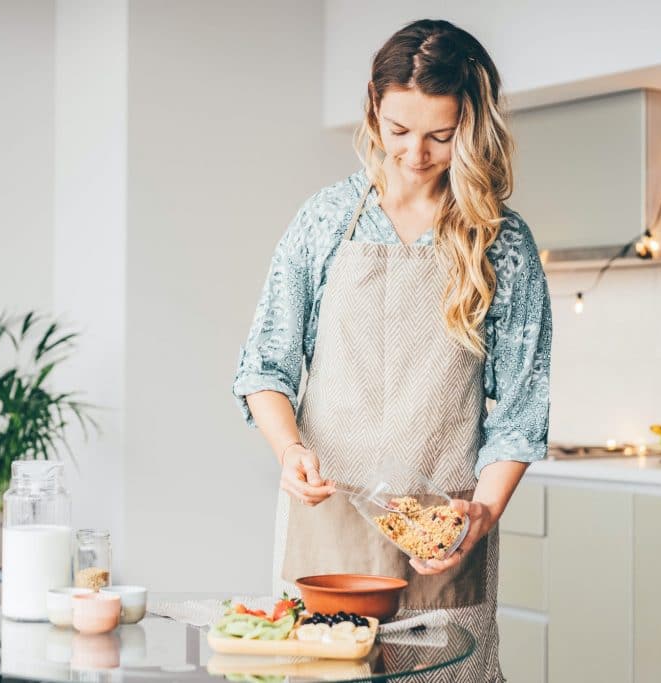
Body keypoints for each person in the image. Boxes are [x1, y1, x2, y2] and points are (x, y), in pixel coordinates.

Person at [231, 18, 551, 683]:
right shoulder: (325, 220)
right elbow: (265, 365)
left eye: (440, 135)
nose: (415, 154)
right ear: (373, 111)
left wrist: (481, 513)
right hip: (328, 534)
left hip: (443, 539)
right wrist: (289, 450)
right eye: (399, 131)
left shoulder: (502, 242)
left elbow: (520, 413)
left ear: (471, 124)